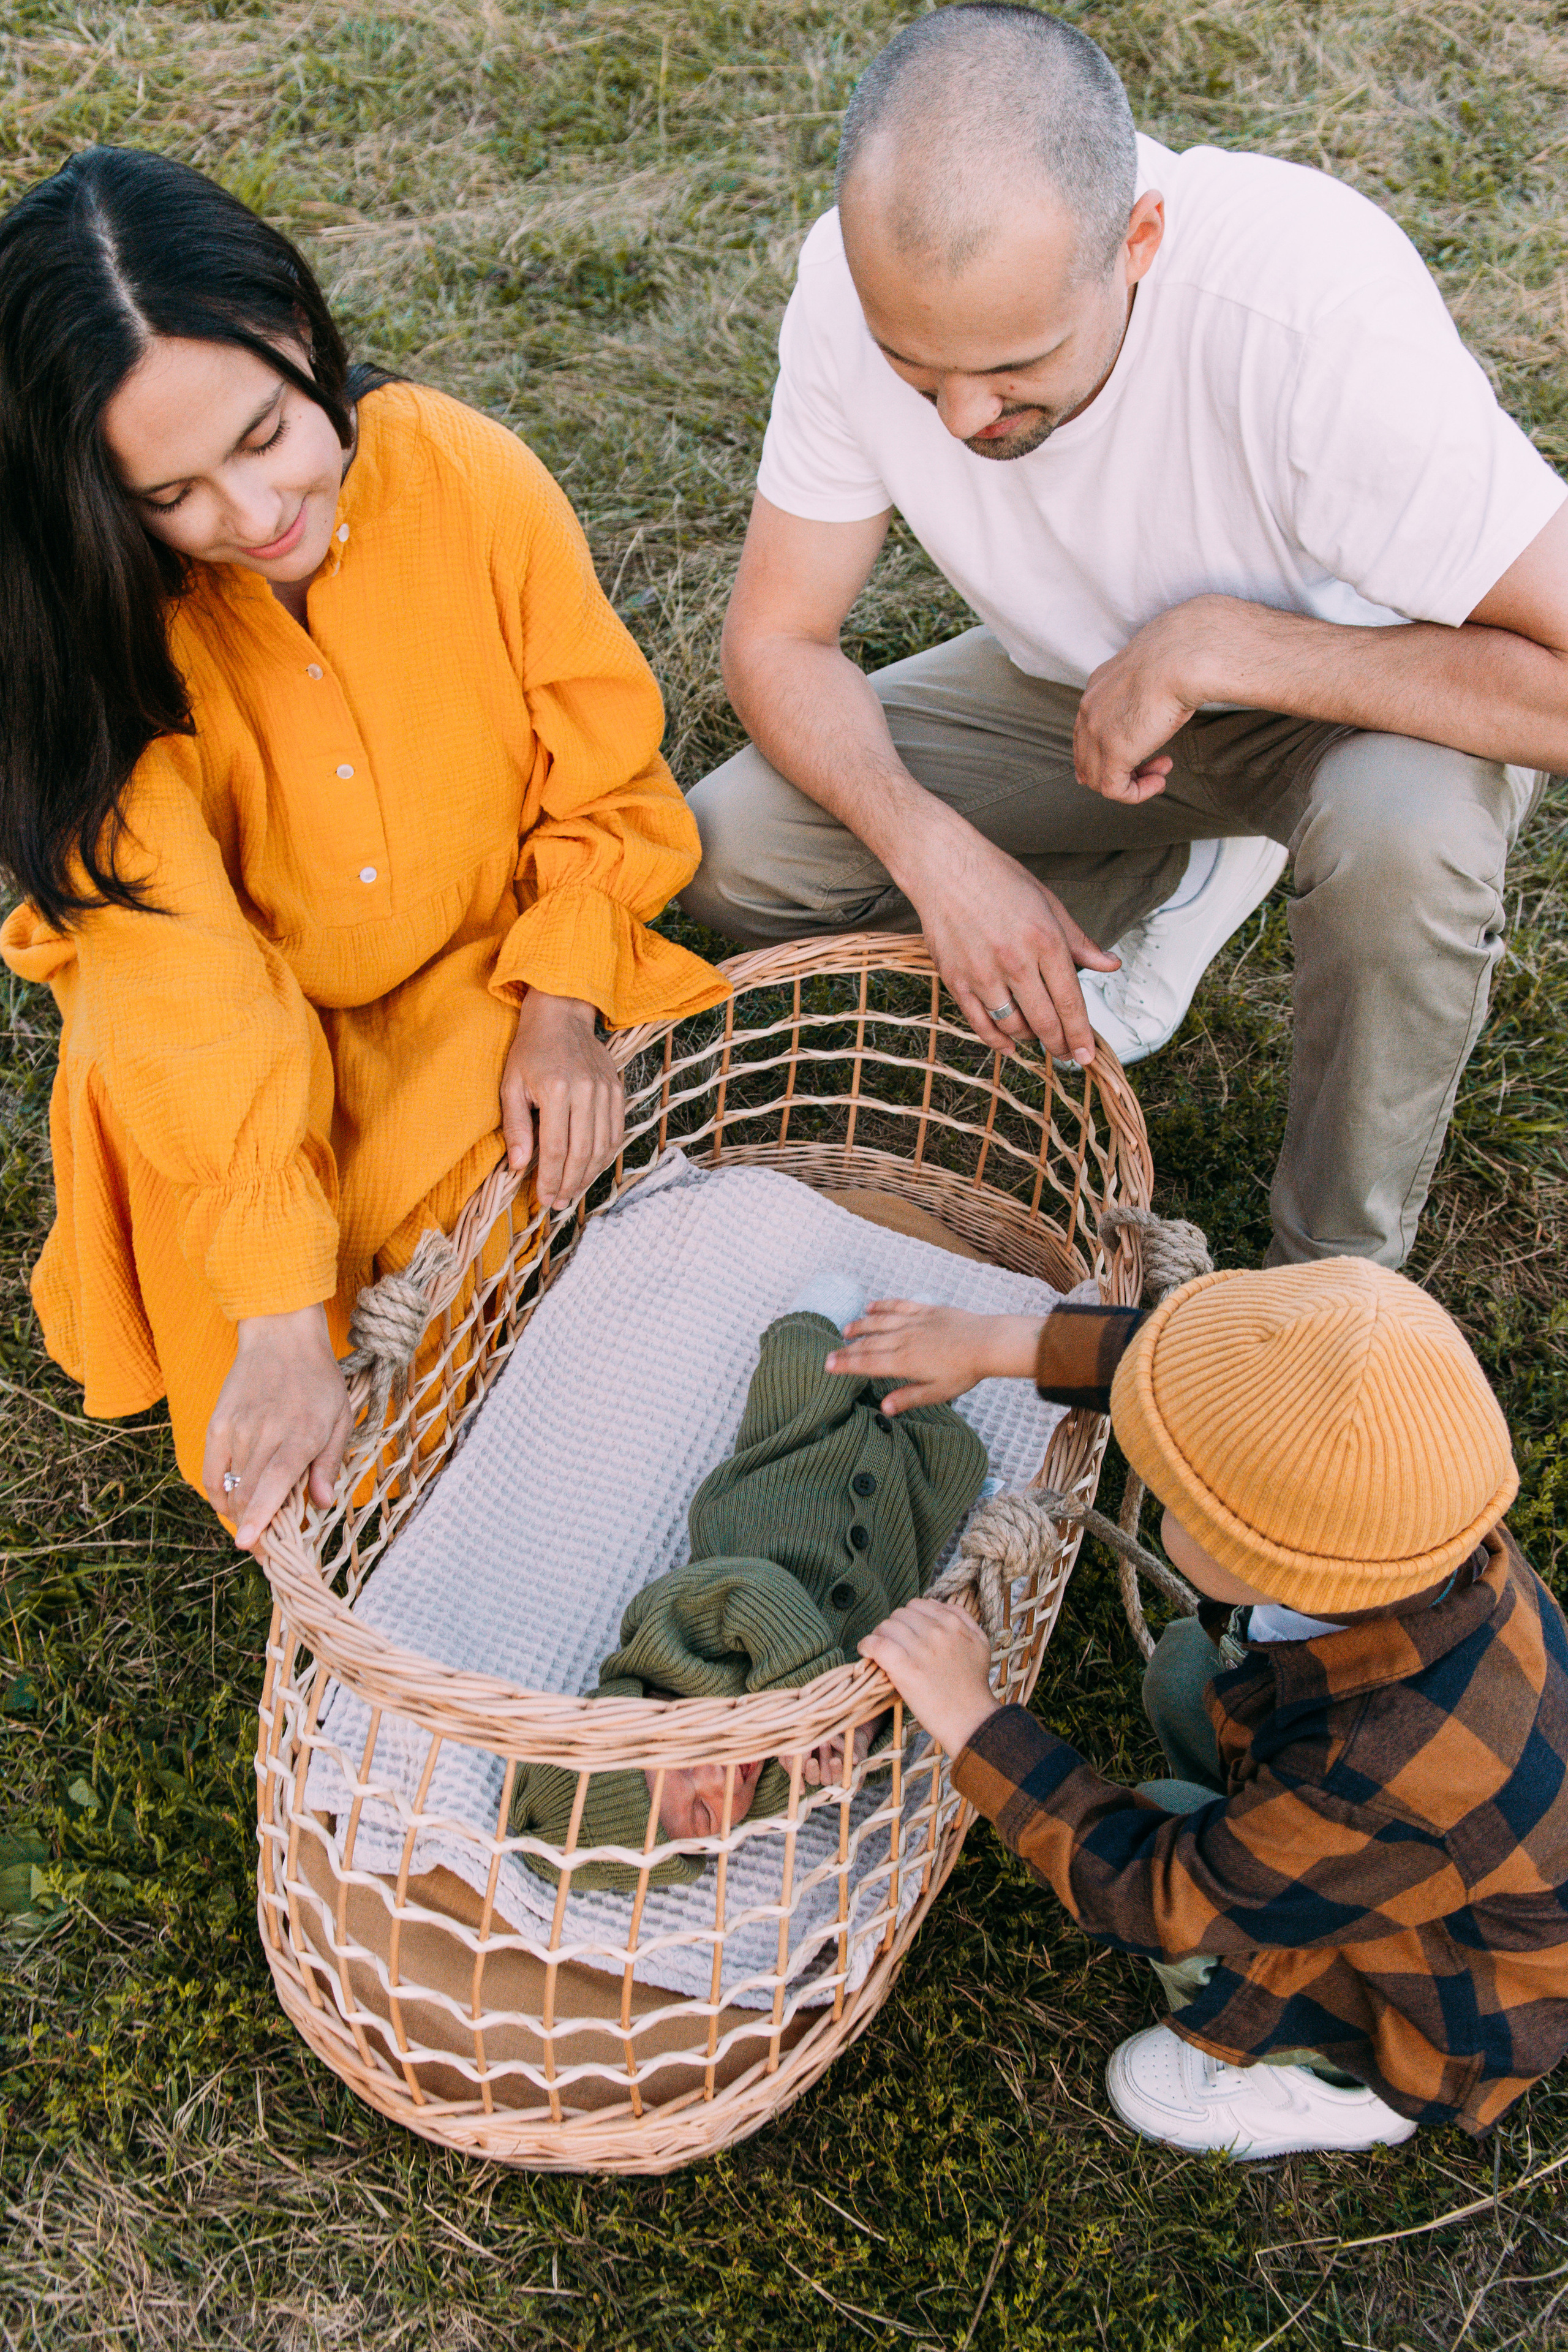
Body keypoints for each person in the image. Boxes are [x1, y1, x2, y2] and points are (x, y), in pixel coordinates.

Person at [684, 4, 1568, 1269]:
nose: (958, 417)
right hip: (1076, 691)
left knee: (1403, 848)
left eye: (1011, 367)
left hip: (1373, 696)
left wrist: (1231, 650)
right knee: (731, 851)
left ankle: (1325, 1283)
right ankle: (1174, 872)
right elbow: (777, 638)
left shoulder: (1309, 316)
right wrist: (934, 853)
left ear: (1136, 241)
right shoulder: (848, 284)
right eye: (911, 369)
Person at [0, 147, 728, 1550]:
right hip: (219, 1072)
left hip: (471, 989)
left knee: (583, 1281)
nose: (252, 514)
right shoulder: (106, 639)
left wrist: (563, 997)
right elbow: (178, 982)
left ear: (298, 326)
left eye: (267, 433)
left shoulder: (466, 477)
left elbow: (603, 772)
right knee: (299, 1434)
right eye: (174, 494)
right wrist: (277, 1306)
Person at [824, 1265, 1568, 2156]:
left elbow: (1151, 1894)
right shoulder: (1414, 1513)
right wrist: (995, 1343)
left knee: (1172, 1832)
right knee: (1185, 1672)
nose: (1151, 1460)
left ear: (1269, 1557)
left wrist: (977, 1723)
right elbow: (1198, 1389)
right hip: (1427, 1855)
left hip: (1444, 1997)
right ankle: (1271, 1852)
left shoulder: (1372, 1765)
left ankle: (1343, 2088)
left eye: (1180, 1490)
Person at [507, 1277, 987, 1888]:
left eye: (683, 1771)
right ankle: (904, 1380)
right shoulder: (773, 1793)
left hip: (786, 1485)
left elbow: (755, 1593)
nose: (718, 1781)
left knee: (804, 1381)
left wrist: (806, 1701)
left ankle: (816, 1316)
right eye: (706, 1817)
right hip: (893, 1528)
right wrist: (856, 1730)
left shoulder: (668, 1644)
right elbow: (856, 1737)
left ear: (646, 1712)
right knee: (957, 1457)